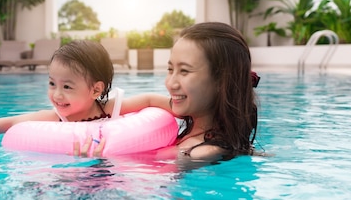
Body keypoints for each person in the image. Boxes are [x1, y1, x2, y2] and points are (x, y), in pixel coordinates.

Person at [80, 21, 259, 162]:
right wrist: (88, 109)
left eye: (185, 71)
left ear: (221, 81)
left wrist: (96, 167)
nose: (170, 83)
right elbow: (149, 99)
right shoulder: (188, 114)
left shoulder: (200, 153)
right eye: (170, 69)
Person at [0, 39, 172, 141]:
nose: (57, 95)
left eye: (67, 87)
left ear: (95, 90)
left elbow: (150, 99)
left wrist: (186, 111)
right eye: (51, 84)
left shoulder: (110, 109)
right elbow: (9, 122)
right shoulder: (55, 118)